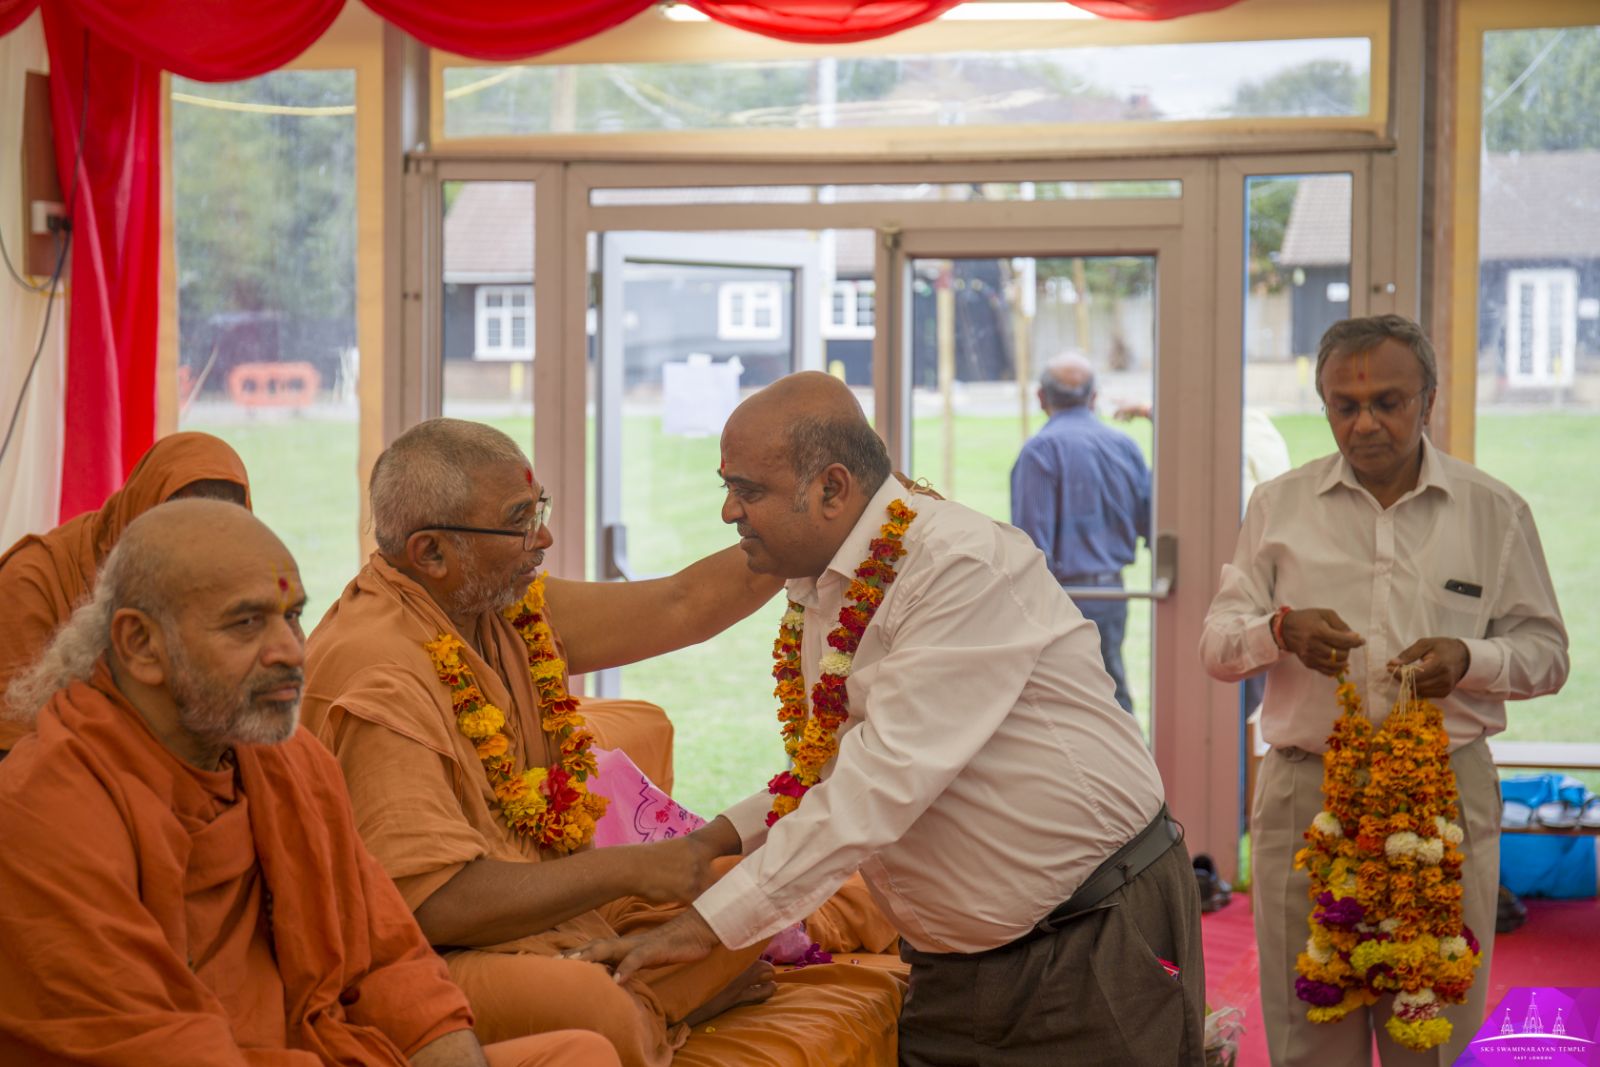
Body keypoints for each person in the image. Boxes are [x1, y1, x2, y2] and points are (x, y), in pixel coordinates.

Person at [567, 372, 1206, 1067]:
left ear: (833, 489)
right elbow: (838, 762)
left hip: (1088, 936)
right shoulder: (827, 584)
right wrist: (711, 841)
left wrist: (705, 925)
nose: (728, 511)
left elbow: (878, 784)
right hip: (955, 964)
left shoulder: (956, 565)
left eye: (748, 489)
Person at [301, 418, 904, 1067]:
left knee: (742, 901)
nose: (546, 537)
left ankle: (652, 991)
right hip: (432, 956)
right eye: (519, 521)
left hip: (551, 915)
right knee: (597, 1011)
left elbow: (682, 603)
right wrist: (637, 866)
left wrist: (845, 521)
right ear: (431, 553)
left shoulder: (496, 605)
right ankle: (664, 1005)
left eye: (541, 510)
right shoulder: (378, 675)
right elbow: (435, 906)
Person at [0, 500, 620, 1067]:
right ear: (140, 644)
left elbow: (389, 958)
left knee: (581, 1055)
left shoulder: (290, 764)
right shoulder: (47, 808)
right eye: (246, 624)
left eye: (291, 616)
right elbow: (142, 1042)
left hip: (321, 1044)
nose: (290, 652)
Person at [1198, 314, 1569, 1066]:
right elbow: (1215, 643)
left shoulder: (1491, 510)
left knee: (1432, 1026)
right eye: (1345, 405)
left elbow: (1548, 656)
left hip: (1444, 795)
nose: (1364, 422)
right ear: (1325, 405)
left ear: (1427, 400)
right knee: (1308, 1028)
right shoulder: (1280, 505)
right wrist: (1280, 629)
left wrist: (1469, 657)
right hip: (1310, 792)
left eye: (1388, 402)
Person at [0, 431, 252, 754]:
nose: (198, 559)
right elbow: (14, 762)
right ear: (141, 514)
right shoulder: (31, 581)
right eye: (182, 534)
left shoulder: (227, 586)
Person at [1011, 352, 1150, 714]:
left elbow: (1031, 547)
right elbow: (1153, 524)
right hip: (1114, 592)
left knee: (1068, 706)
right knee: (1111, 692)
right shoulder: (1124, 447)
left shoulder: (1040, 451)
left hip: (1063, 597)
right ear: (1093, 397)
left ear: (1041, 398)